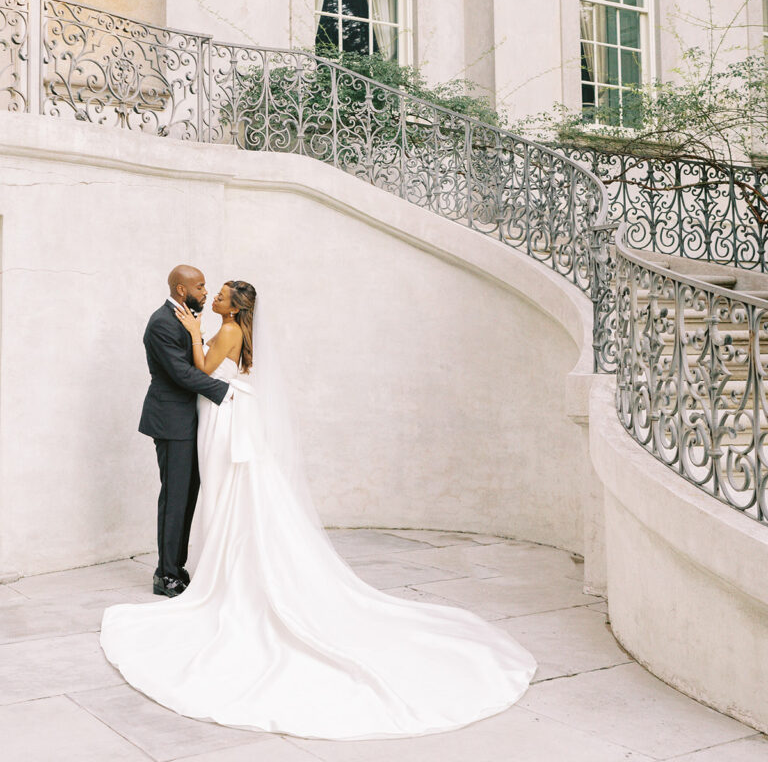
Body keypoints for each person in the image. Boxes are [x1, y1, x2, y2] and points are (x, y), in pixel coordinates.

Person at [101, 281, 536, 740]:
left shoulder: (224, 330)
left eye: (221, 293)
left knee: (226, 493)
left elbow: (204, 367)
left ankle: (205, 569)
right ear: (182, 288)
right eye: (208, 289)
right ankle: (181, 568)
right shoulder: (220, 327)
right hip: (214, 415)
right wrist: (198, 341)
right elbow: (202, 370)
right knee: (206, 492)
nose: (213, 295)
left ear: (235, 306)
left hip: (223, 416)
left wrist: (194, 335)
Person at [138, 265, 231, 597]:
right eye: (201, 286)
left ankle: (176, 567)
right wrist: (227, 392)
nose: (206, 292)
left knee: (187, 495)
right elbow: (181, 373)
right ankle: (165, 575)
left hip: (188, 420)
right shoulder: (162, 322)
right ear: (181, 290)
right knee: (175, 498)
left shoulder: (185, 317)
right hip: (170, 420)